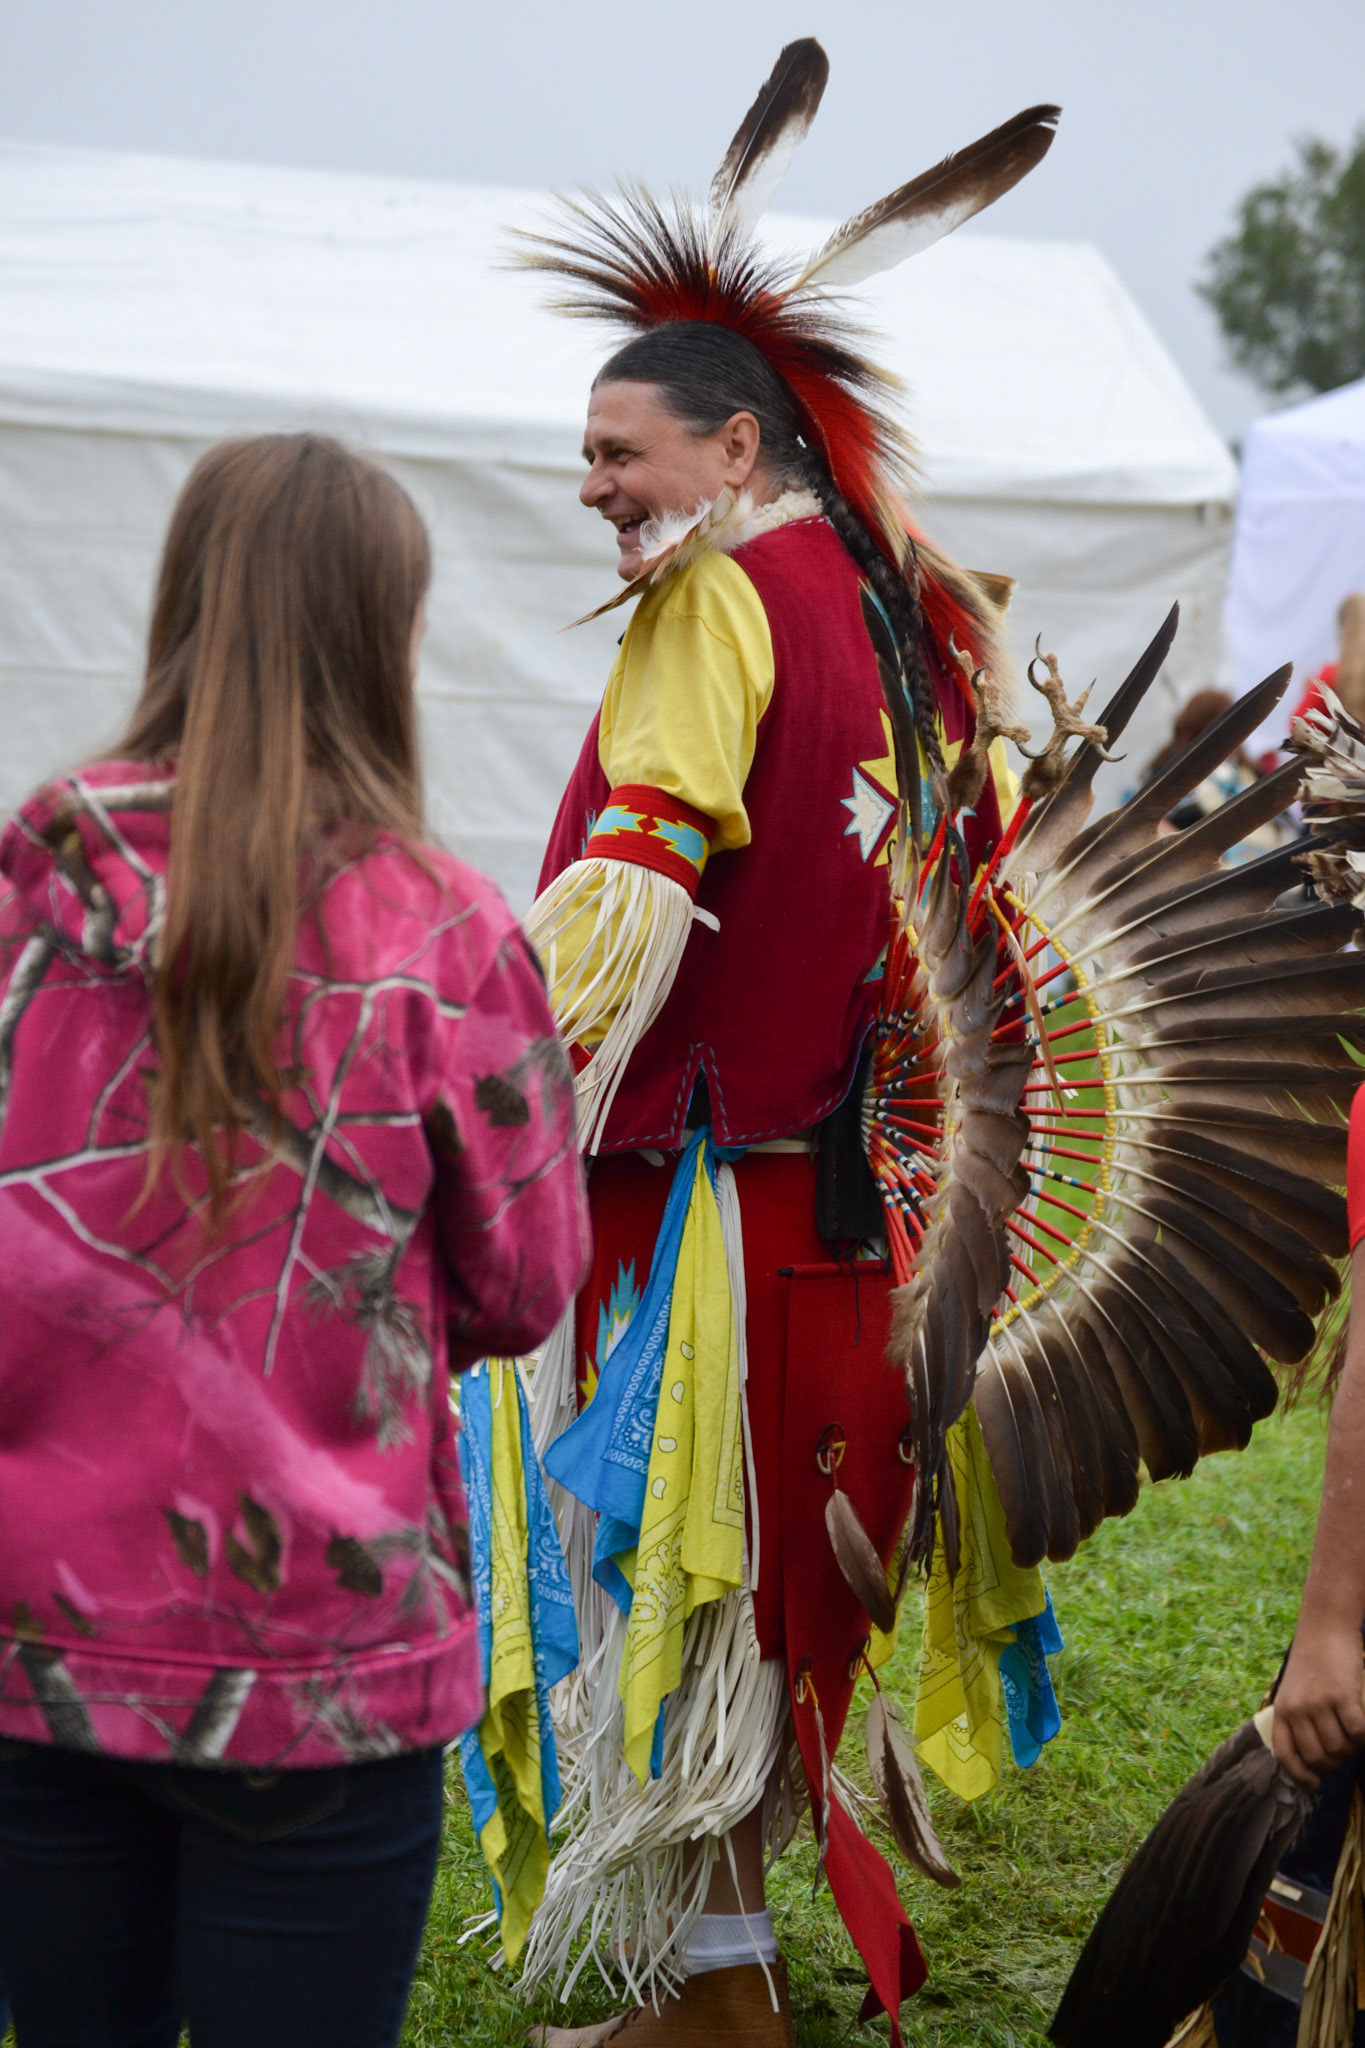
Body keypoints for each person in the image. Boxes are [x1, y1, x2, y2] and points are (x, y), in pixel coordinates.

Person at [493, 43, 1059, 2048]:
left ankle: (715, 2001)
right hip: (861, 1216)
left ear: (732, 454)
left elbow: (625, 890)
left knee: (690, 1559)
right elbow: (981, 913)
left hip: (707, 1201)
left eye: (615, 449)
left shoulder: (713, 606)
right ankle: (712, 1983)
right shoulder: (916, 614)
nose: (592, 484)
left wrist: (477, 1078)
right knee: (753, 1576)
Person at [0, 432, 589, 2048]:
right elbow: (531, 1285)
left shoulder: (21, 907)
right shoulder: (445, 938)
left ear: (179, 603)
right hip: (321, 1656)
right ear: (382, 634)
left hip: (34, 1636)